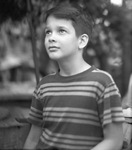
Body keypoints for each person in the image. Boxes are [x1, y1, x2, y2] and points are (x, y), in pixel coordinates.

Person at [23, 2, 125, 150]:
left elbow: (114, 142)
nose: (51, 38)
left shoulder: (102, 83)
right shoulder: (43, 86)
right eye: (48, 32)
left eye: (61, 31)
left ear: (82, 41)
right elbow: (33, 139)